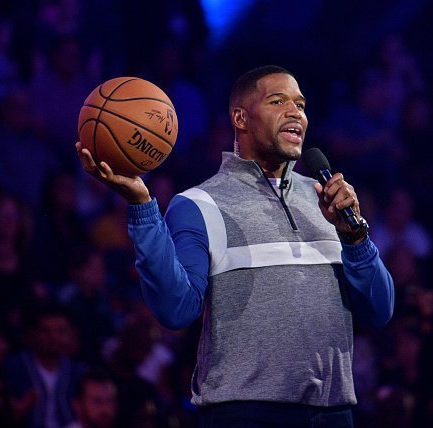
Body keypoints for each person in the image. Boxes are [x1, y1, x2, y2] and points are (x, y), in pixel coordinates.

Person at [76, 65, 394, 427]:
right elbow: (176, 310)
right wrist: (143, 207)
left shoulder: (328, 200)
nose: (295, 113)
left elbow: (380, 310)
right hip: (244, 415)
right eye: (278, 101)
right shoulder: (199, 204)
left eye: (301, 105)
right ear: (240, 118)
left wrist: (355, 238)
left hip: (334, 413)